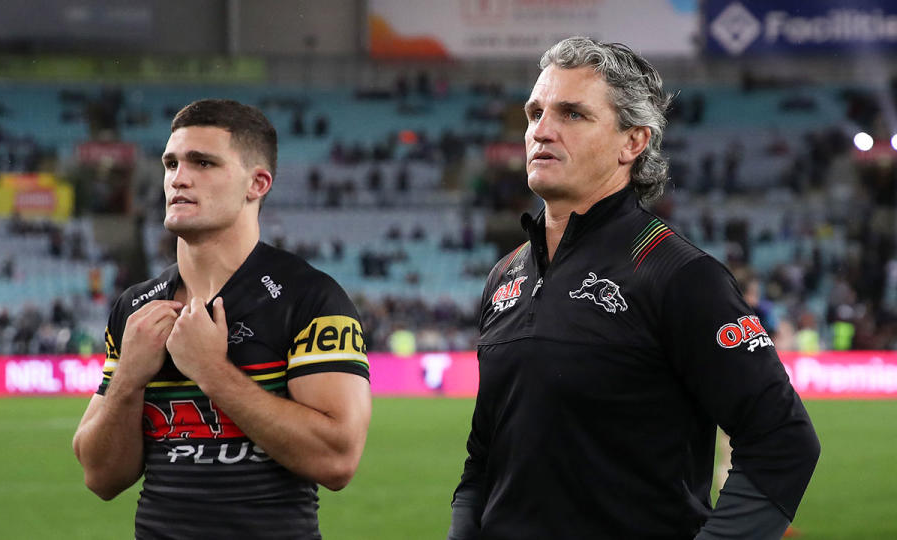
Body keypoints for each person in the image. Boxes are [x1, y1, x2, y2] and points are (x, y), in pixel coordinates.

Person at [448, 37, 819, 539]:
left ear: (633, 142)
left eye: (572, 115)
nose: (542, 130)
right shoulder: (504, 277)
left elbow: (783, 438)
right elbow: (484, 459)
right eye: (535, 112)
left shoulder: (681, 276)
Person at [73, 99, 371, 539]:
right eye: (170, 163)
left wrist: (211, 371)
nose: (179, 178)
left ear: (257, 183)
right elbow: (101, 477)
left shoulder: (311, 299)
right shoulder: (135, 309)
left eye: (203, 163)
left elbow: (337, 460)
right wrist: (128, 380)